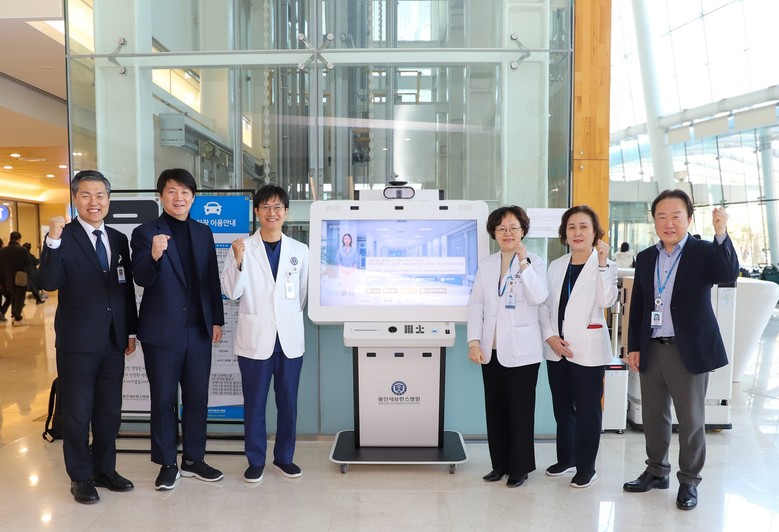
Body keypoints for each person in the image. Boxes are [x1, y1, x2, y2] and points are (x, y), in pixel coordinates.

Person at [623, 189, 738, 511]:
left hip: (688, 349)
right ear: (654, 221)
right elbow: (640, 304)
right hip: (652, 346)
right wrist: (634, 346)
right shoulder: (647, 257)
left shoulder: (704, 252)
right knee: (653, 415)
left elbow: (727, 274)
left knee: (690, 420)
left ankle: (689, 480)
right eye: (662, 216)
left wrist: (721, 232)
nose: (669, 223)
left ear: (689, 219)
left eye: (676, 216)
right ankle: (656, 471)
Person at [37, 170, 138, 504]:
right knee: (78, 413)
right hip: (78, 342)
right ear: (75, 199)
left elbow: (124, 290)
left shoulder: (118, 239)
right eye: (86, 195)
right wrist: (52, 240)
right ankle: (80, 476)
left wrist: (130, 331)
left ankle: (104, 469)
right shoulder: (62, 237)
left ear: (108, 200)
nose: (94, 202)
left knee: (109, 412)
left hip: (113, 340)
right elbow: (49, 282)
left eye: (100, 195)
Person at [131, 168, 225, 490]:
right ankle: (167, 463)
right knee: (163, 400)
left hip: (198, 331)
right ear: (161, 196)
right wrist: (154, 255)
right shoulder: (145, 233)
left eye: (185, 192)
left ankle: (194, 459)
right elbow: (141, 278)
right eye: (172, 191)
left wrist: (216, 320)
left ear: (193, 197)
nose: (179, 197)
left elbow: (211, 280)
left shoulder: (203, 232)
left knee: (197, 398)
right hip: (161, 333)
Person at [222, 184, 309, 482]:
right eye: (266, 207)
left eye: (278, 207)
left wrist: (283, 317)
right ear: (257, 211)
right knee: (255, 404)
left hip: (288, 342)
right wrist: (238, 261)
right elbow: (231, 292)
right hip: (255, 340)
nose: (272, 213)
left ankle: (284, 459)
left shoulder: (300, 251)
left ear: (286, 212)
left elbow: (301, 295)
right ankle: (255, 460)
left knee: (288, 404)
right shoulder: (242, 247)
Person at [466, 205, 548, 488]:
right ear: (494, 233)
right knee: (496, 410)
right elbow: (476, 304)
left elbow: (539, 297)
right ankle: (499, 464)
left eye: (513, 227)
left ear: (523, 230)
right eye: (501, 228)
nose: (508, 233)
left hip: (523, 351)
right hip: (491, 349)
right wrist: (474, 341)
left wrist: (523, 264)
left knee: (520, 412)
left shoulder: (534, 261)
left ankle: (519, 468)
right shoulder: (487, 264)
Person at [539, 206, 618, 489]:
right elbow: (544, 305)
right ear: (564, 233)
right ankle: (567, 459)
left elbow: (606, 300)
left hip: (587, 348)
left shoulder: (606, 265)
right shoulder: (556, 265)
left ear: (595, 232)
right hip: (556, 348)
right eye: (571, 227)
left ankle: (587, 468)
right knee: (562, 408)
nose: (577, 232)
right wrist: (550, 336)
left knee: (587, 410)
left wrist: (602, 263)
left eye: (584, 226)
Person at [0, 231, 32, 326]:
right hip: (19, 277)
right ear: (19, 239)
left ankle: (13, 315)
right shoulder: (22, 250)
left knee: (12, 297)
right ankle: (17, 317)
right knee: (20, 298)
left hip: (6, 278)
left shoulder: (2, 251)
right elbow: (28, 263)